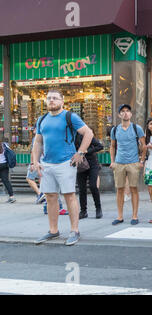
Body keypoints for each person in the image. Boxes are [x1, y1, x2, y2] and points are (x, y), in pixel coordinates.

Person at [32, 89, 94, 246]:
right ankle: (53, 231)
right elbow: (38, 142)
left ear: (62, 101)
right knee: (51, 197)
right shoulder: (42, 119)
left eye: (55, 98)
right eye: (49, 98)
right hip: (47, 164)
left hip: (66, 162)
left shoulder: (70, 116)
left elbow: (89, 133)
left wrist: (80, 152)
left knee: (69, 196)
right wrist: (35, 161)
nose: (51, 100)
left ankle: (74, 230)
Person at [110, 104, 146, 226]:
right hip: (119, 163)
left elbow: (144, 146)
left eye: (127, 111)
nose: (125, 113)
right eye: (123, 111)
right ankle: (119, 216)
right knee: (119, 190)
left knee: (133, 189)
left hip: (133, 163)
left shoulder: (137, 128)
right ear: (119, 115)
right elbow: (112, 146)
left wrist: (141, 161)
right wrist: (112, 161)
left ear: (131, 114)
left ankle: (134, 216)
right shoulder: (115, 129)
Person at [75, 131, 104, 219]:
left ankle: (98, 209)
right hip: (80, 164)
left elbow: (100, 146)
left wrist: (87, 151)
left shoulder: (85, 134)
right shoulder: (70, 137)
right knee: (81, 188)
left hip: (92, 163)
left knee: (93, 186)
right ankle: (83, 211)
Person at [26, 127, 45, 204]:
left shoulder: (36, 138)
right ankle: (43, 195)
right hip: (44, 162)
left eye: (34, 129)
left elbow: (33, 151)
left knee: (29, 178)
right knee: (42, 179)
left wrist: (32, 163)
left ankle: (40, 194)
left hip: (37, 161)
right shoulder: (45, 137)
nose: (33, 130)